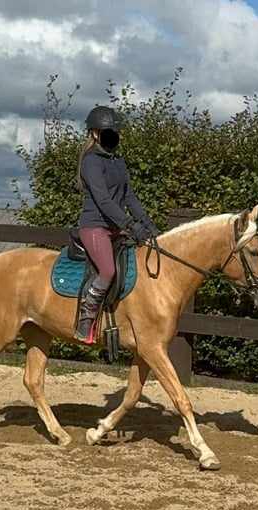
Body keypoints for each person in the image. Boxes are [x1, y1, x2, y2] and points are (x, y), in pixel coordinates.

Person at [74, 105, 160, 343]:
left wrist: (146, 223)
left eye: (115, 132)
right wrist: (129, 224)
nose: (113, 135)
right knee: (108, 270)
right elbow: (103, 200)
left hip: (115, 226)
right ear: (95, 134)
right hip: (95, 226)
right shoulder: (91, 162)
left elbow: (129, 196)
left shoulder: (118, 161)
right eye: (108, 131)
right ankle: (87, 315)